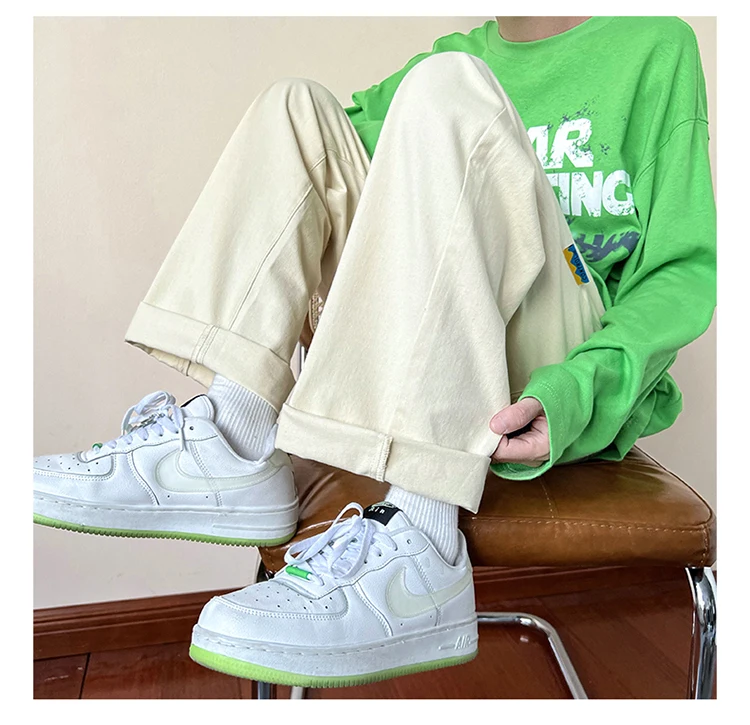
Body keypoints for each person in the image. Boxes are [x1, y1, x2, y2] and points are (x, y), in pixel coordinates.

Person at [33, 16, 716, 688]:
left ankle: (424, 539)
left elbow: (679, 272)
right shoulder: (459, 54)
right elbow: (332, 180)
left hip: (563, 359)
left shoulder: (652, 44)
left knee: (447, 85)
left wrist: (576, 392)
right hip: (453, 350)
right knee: (295, 106)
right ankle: (234, 433)